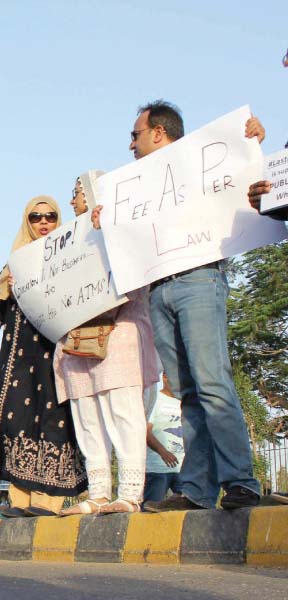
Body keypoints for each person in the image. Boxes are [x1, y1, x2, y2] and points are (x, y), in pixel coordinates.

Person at [124, 100, 266, 511]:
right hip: (159, 288)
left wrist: (252, 142)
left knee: (211, 383)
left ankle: (241, 480)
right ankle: (197, 490)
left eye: (135, 134)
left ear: (159, 133)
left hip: (199, 279)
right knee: (186, 393)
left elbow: (245, 176)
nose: (130, 144)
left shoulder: (205, 163)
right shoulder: (134, 188)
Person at [0, 198, 87, 517]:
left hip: (56, 352)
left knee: (54, 419)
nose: (43, 222)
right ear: (27, 222)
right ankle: (20, 499)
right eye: (35, 217)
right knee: (16, 421)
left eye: (50, 216)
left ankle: (46, 500)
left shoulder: (70, 256)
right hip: (18, 357)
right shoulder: (15, 263)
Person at [55, 201, 161, 514]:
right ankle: (98, 492)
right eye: (76, 194)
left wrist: (113, 231)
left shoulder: (130, 234)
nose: (80, 201)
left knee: (124, 416)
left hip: (120, 337)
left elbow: (137, 280)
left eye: (87, 192)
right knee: (87, 420)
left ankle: (129, 493)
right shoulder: (69, 245)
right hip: (76, 345)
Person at [143, 374, 184, 504]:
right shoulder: (155, 400)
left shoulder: (184, 403)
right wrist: (163, 453)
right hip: (157, 469)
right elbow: (145, 432)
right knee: (151, 510)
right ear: (165, 377)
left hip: (182, 470)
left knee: (189, 511)